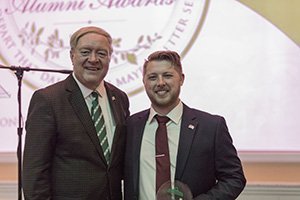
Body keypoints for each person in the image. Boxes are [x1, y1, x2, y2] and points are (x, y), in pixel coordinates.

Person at [23, 26, 130, 200]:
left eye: (102, 53)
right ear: (72, 56)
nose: (93, 59)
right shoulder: (48, 100)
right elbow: (34, 173)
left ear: (110, 58)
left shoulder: (120, 98)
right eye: (85, 52)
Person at [124, 50, 246, 200]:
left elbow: (234, 178)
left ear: (181, 79)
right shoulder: (130, 127)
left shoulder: (211, 127)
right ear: (144, 82)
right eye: (152, 77)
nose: (160, 83)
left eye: (167, 76)